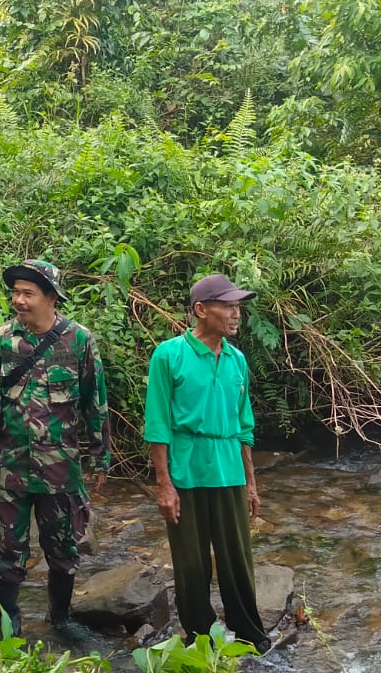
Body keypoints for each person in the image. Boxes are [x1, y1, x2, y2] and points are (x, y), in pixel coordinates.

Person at [0, 259, 110, 637]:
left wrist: (101, 457)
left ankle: (61, 620)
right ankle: (7, 626)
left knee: (64, 552)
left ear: (51, 297)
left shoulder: (79, 341)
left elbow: (94, 402)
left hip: (60, 469)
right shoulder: (1, 340)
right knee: (6, 553)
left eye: (27, 293)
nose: (18, 300)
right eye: (15, 292)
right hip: (8, 468)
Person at [143, 274, 271, 653]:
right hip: (186, 470)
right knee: (190, 560)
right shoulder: (169, 355)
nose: (236, 314)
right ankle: (200, 635)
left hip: (228, 468)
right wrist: (164, 484)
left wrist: (250, 482)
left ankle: (250, 632)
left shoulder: (237, 360)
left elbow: (244, 424)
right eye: (228, 306)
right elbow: (158, 424)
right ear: (201, 310)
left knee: (237, 557)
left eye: (238, 308)